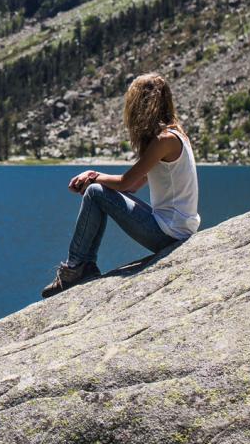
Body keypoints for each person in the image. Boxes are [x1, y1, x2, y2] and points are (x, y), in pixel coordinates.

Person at [42, 73, 201, 298]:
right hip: (179, 228)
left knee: (96, 192)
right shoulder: (176, 135)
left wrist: (93, 177)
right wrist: (94, 176)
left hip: (170, 233)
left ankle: (75, 268)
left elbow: (127, 182)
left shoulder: (163, 141)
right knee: (98, 191)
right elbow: (134, 185)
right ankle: (82, 265)